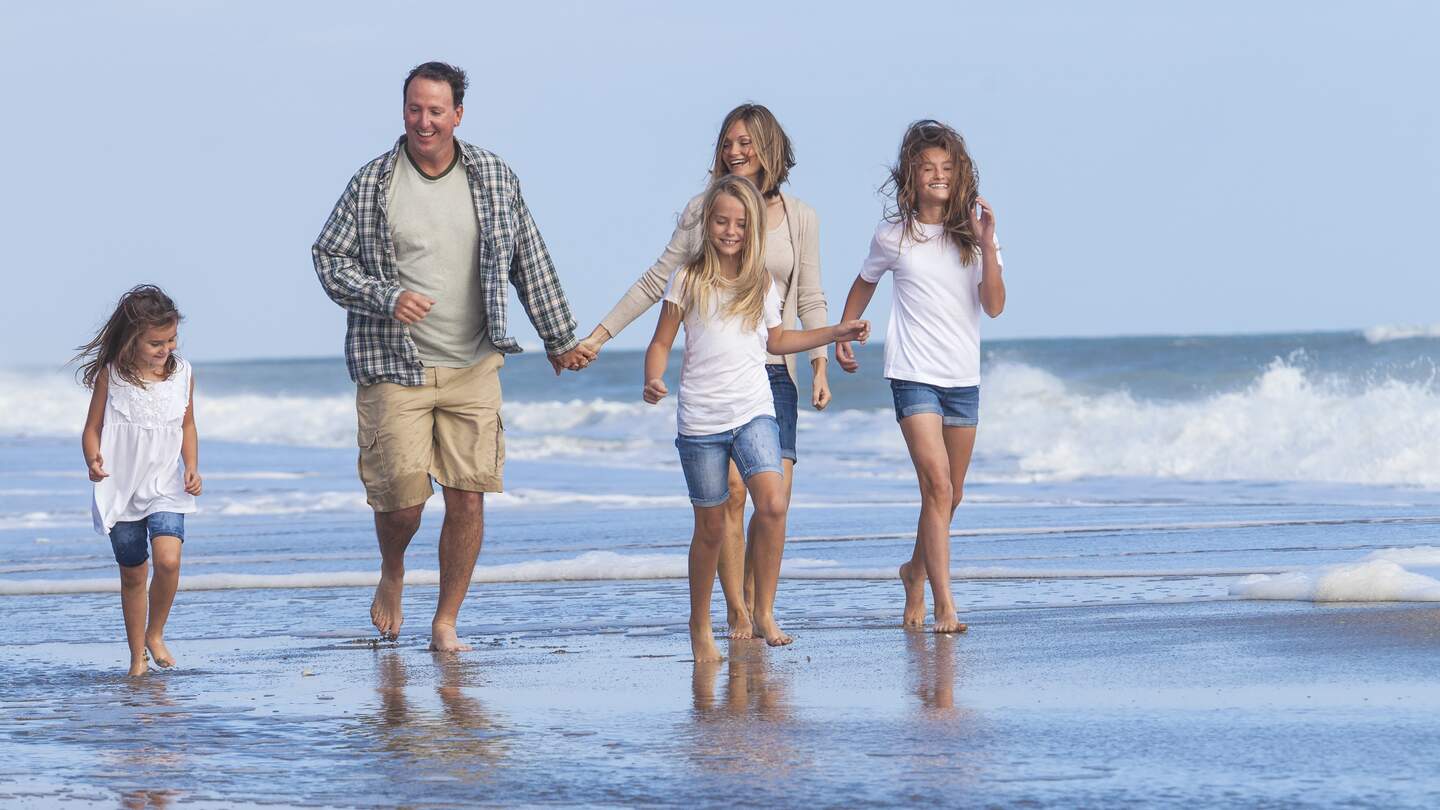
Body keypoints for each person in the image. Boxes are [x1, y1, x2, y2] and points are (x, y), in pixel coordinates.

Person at [311, 61, 592, 652]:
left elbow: (529, 260)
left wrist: (560, 338)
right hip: (394, 365)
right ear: (404, 110)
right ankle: (393, 571)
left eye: (437, 110)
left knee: (468, 495)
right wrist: (387, 296)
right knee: (403, 505)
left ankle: (445, 622)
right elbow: (328, 259)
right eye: (415, 108)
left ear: (457, 114)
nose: (424, 121)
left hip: (474, 364)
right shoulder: (372, 184)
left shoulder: (492, 176)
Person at [582, 103, 830, 638]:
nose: (735, 152)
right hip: (715, 380)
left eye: (746, 142)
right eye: (728, 143)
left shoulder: (800, 215)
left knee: (774, 501)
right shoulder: (705, 209)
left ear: (770, 148)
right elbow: (659, 283)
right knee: (729, 498)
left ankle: (763, 607)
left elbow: (809, 294)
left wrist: (821, 362)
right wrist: (600, 337)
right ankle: (736, 610)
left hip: (773, 371)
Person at [642, 175, 868, 661]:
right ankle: (699, 624)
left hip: (753, 410)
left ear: (752, 231)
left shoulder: (759, 282)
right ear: (708, 223)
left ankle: (761, 608)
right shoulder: (688, 278)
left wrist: (835, 332)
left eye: (740, 224)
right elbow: (661, 340)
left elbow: (778, 342)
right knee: (709, 528)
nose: (730, 231)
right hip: (701, 419)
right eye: (721, 221)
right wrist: (653, 377)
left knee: (772, 502)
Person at [834, 120, 1007, 634]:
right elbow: (865, 280)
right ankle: (945, 604)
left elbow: (994, 306)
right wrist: (845, 331)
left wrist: (989, 243)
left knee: (951, 495)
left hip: (962, 377)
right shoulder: (894, 235)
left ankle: (914, 571)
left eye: (947, 168)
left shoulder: (974, 237)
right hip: (912, 374)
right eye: (928, 167)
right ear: (912, 174)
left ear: (960, 176)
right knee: (935, 486)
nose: (938, 175)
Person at [77, 285, 202, 676]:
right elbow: (91, 429)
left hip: (166, 484)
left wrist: (192, 466)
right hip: (120, 486)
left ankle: (156, 633)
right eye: (155, 343)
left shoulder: (182, 374)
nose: (166, 348)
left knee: (168, 560)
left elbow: (187, 423)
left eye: (171, 339)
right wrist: (92, 459)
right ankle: (136, 658)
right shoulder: (111, 376)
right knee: (133, 574)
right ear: (132, 339)